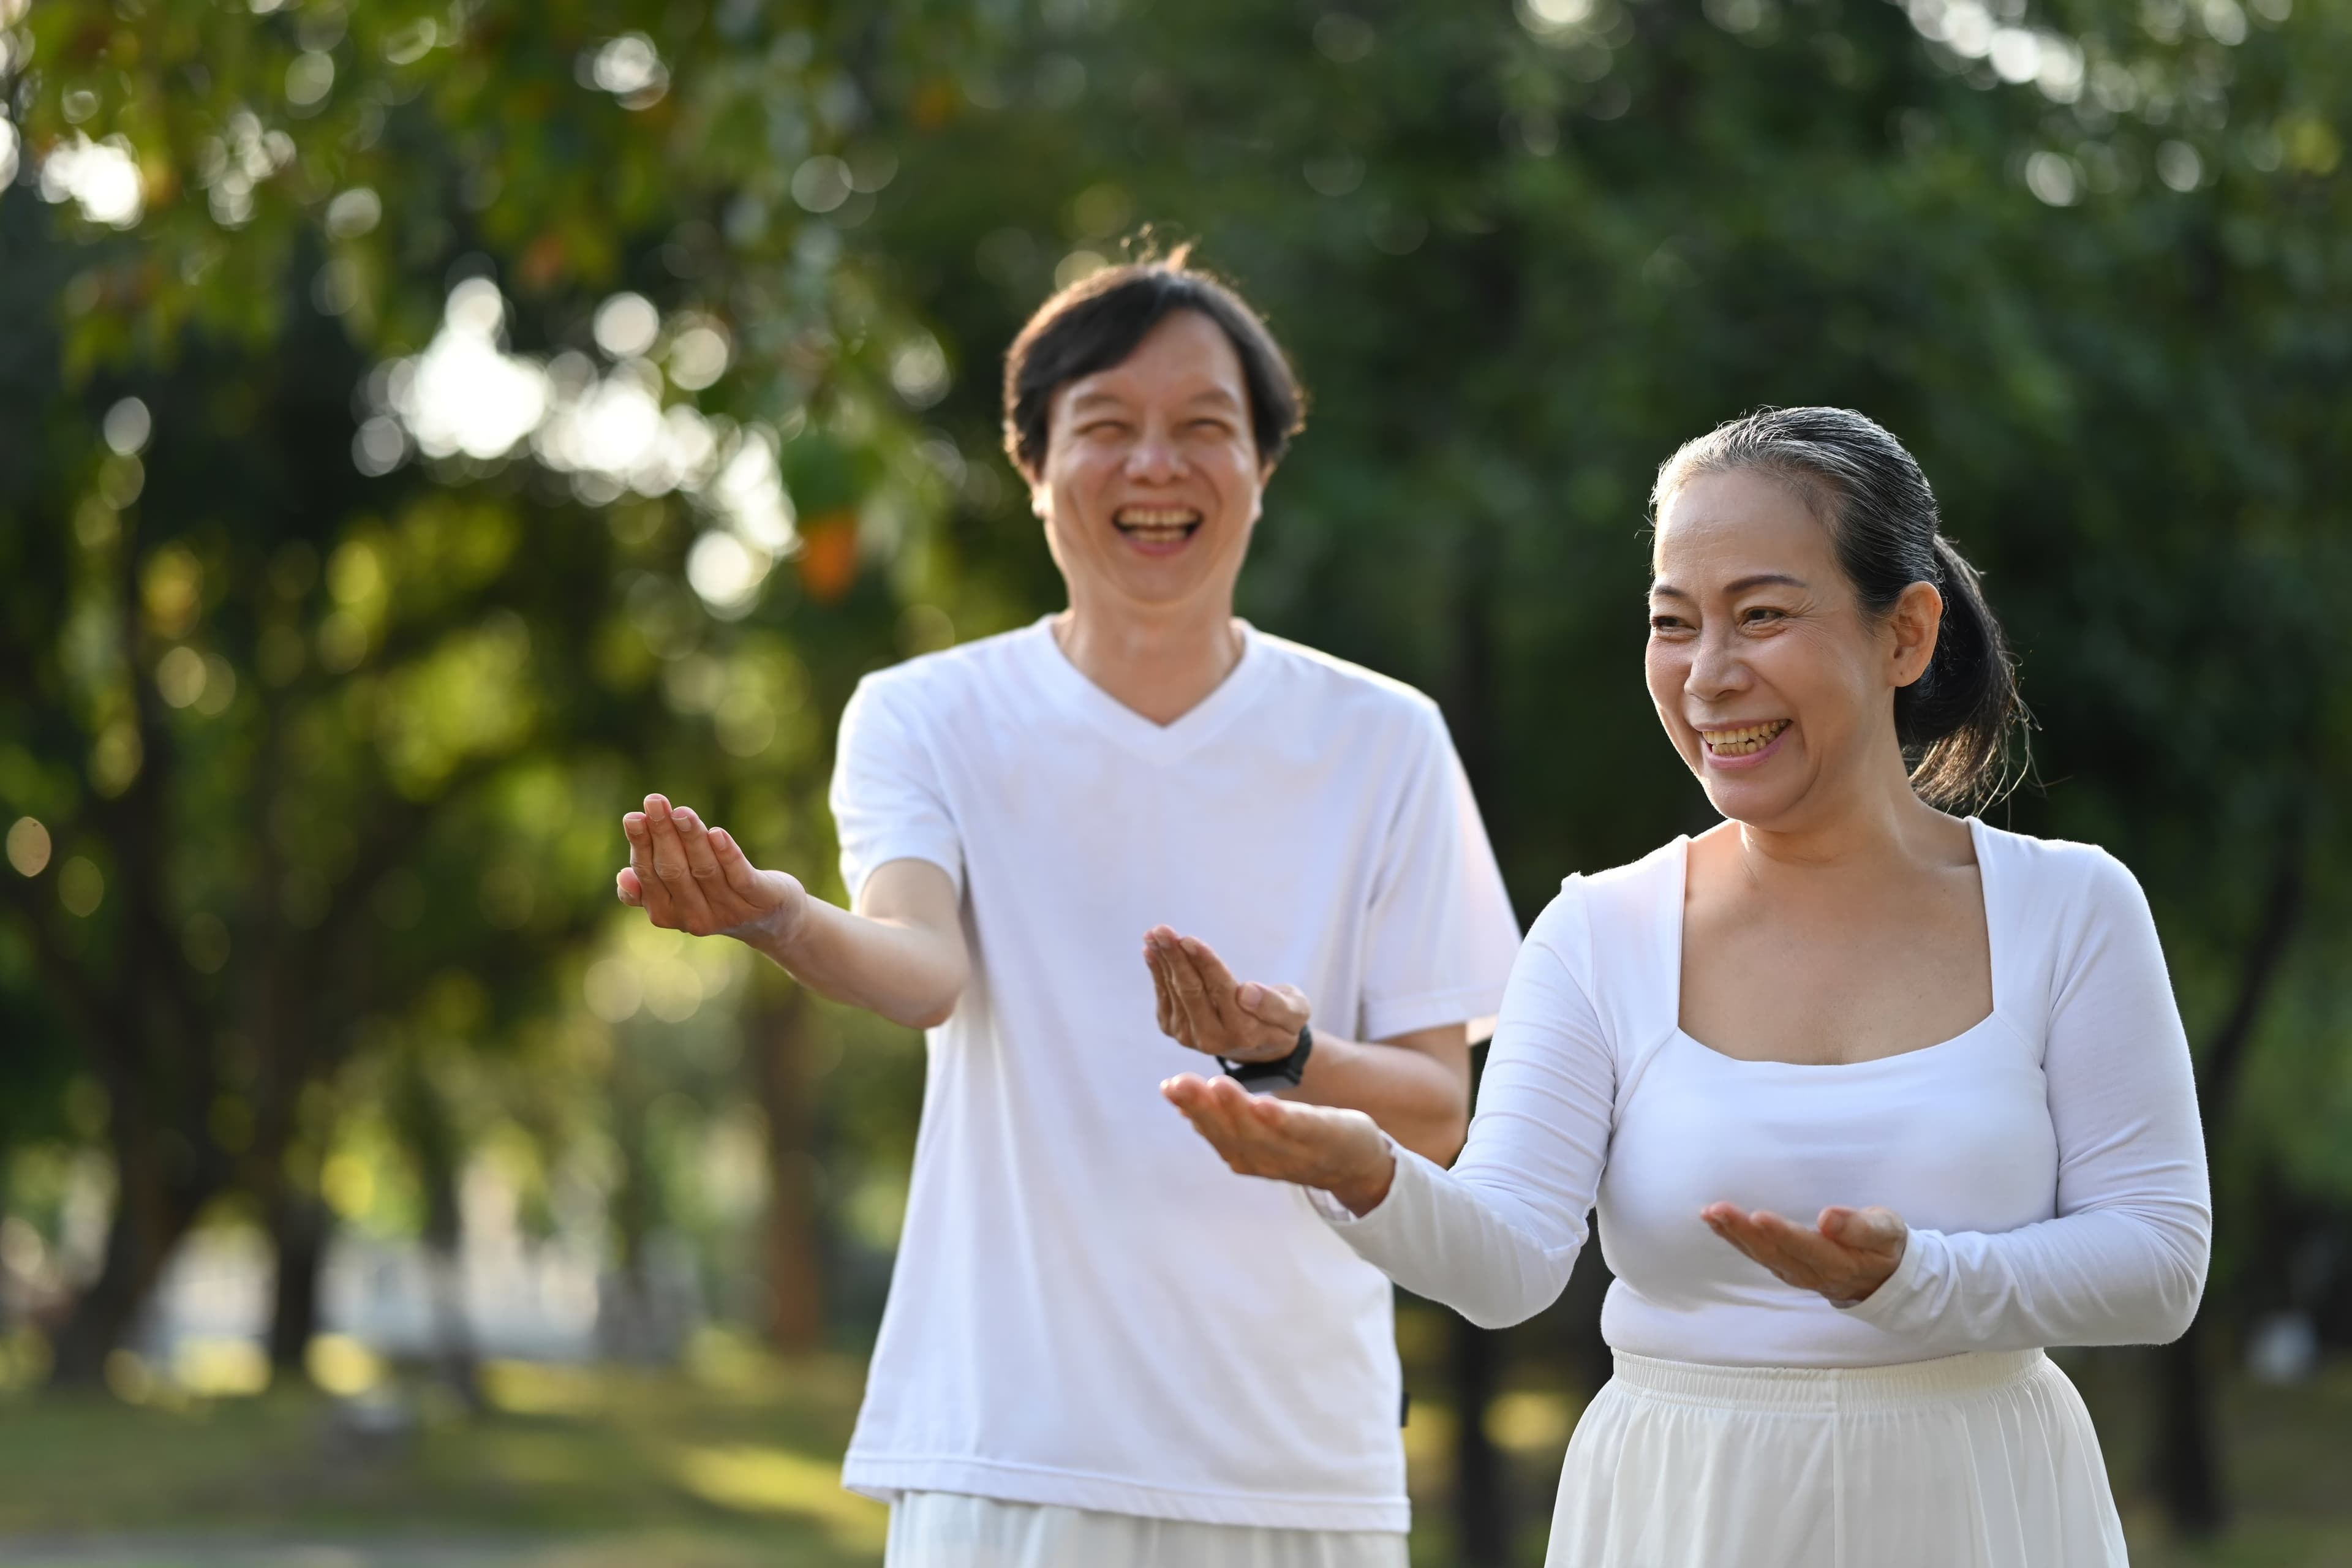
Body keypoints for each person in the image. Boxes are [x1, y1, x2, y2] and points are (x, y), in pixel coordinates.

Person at [1167, 406, 2212, 1567]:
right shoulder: (1596, 930)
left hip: (1982, 1506)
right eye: (1674, 624)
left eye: (1762, 615)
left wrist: (1921, 1279)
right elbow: (1509, 1261)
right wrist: (1364, 1173)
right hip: (1687, 1511)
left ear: (1905, 634)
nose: (1710, 675)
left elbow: (2158, 1263)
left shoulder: (2070, 908)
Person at [614, 255, 1520, 1566]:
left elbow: (1437, 1106)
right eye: (1105, 427)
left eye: (1206, 427)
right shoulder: (924, 714)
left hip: (1299, 1471)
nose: (1157, 465)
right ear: (1034, 466)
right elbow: (926, 968)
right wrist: (779, 915)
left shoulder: (1383, 740)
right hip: (1010, 1455)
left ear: (1264, 465)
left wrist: (1286, 1055)